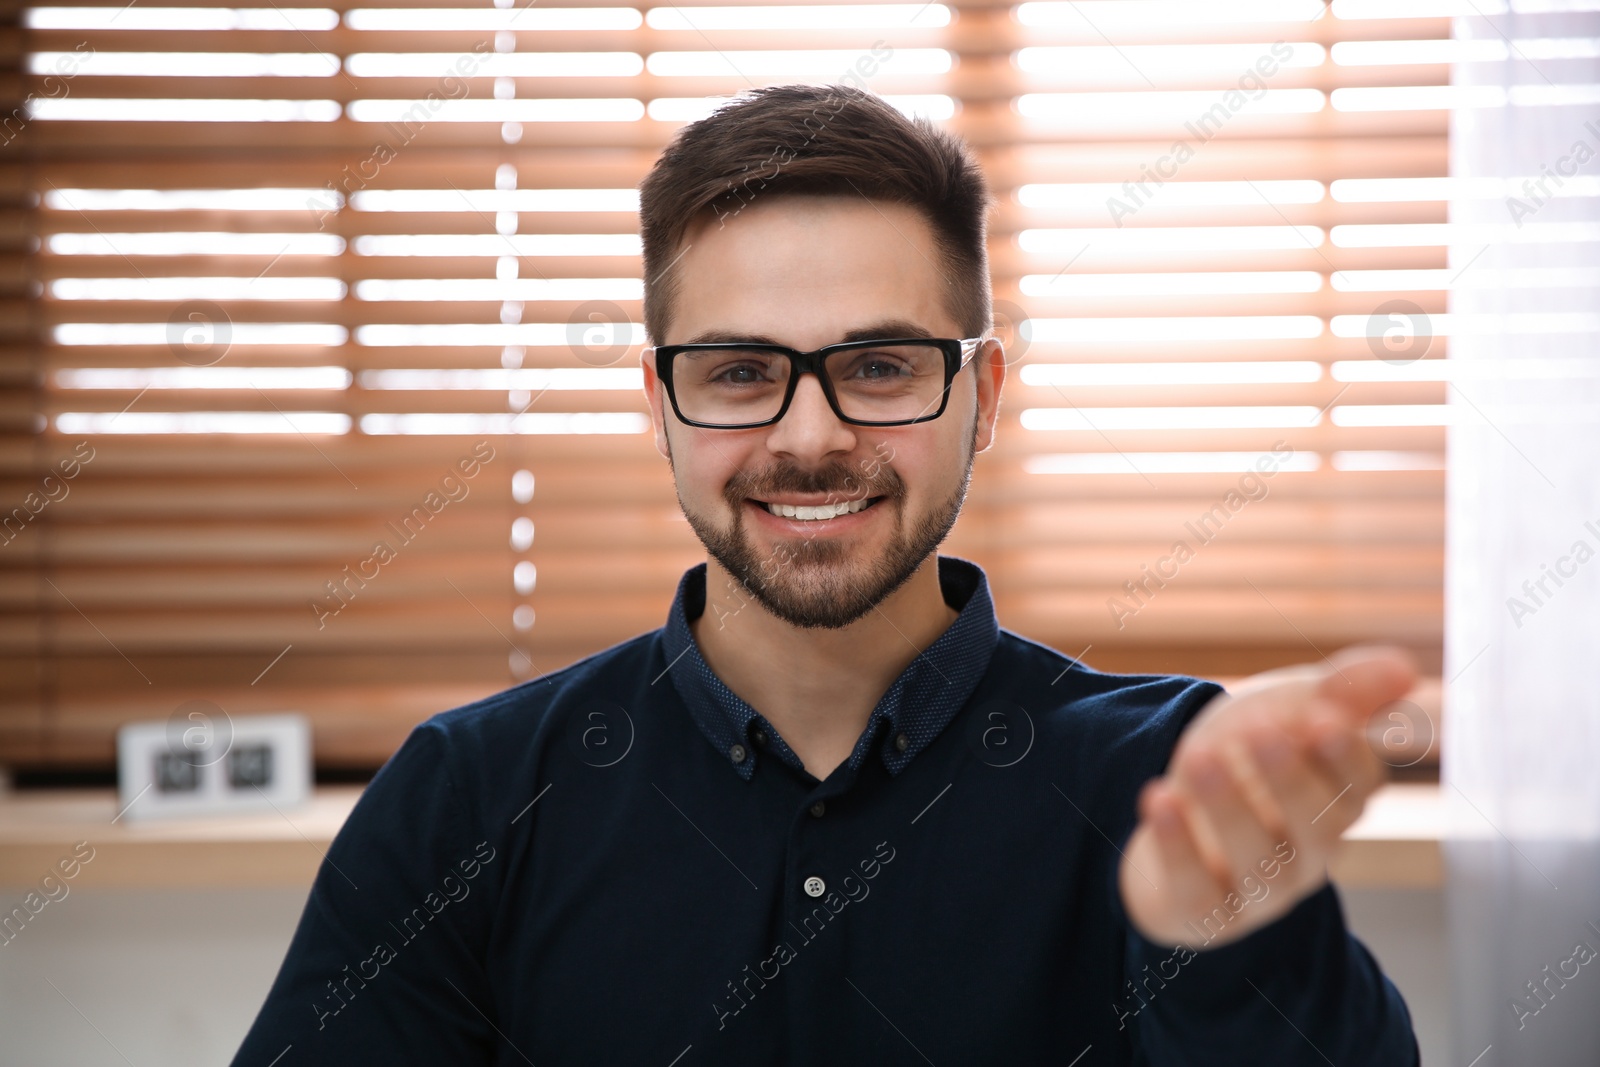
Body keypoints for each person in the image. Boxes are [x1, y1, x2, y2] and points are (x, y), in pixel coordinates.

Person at [231, 84, 1420, 1064]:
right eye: (741, 371)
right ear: (659, 403)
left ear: (984, 396)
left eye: (881, 364)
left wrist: (1231, 938)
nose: (808, 437)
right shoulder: (464, 799)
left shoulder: (1167, 780)